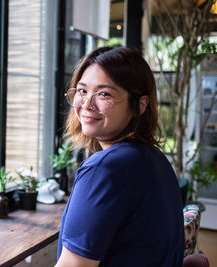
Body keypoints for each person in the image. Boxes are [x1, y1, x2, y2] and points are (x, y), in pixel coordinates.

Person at [55, 46, 184, 267]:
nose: (86, 104)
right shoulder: (153, 158)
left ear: (139, 106)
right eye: (82, 91)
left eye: (104, 94)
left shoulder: (105, 169)